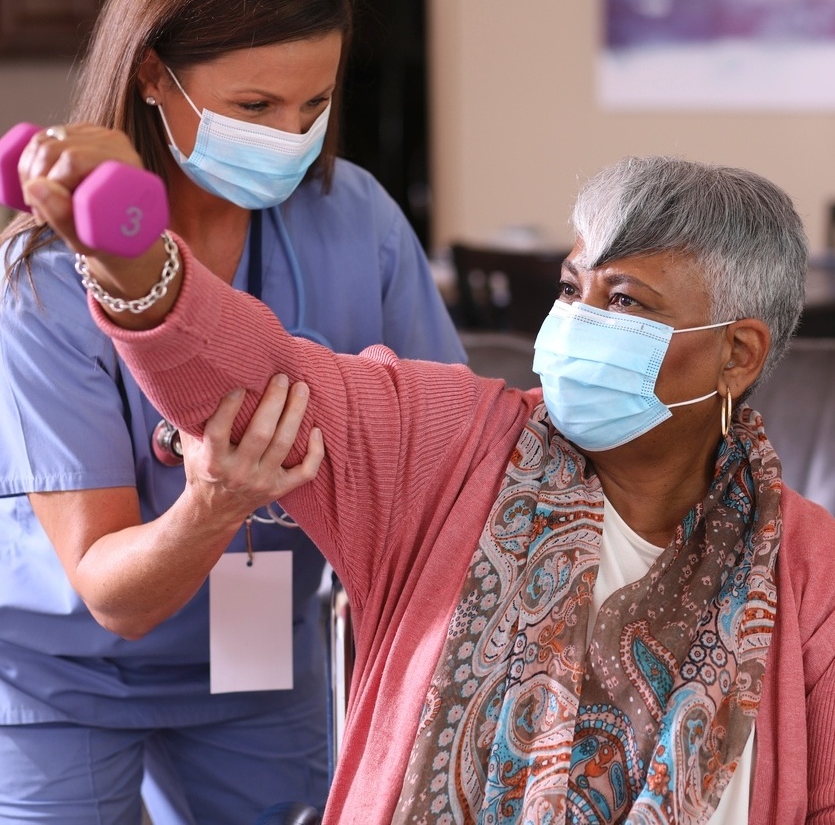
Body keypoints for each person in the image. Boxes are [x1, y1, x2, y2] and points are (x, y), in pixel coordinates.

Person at [18, 148, 835, 824]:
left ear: (737, 354)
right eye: (569, 288)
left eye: (622, 301)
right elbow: (260, 377)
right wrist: (134, 262)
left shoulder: (807, 572)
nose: (577, 322)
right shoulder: (449, 446)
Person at [0, 0, 466, 822]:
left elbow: (451, 454)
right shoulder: (46, 280)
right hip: (62, 672)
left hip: (252, 657)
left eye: (313, 103)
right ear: (153, 74)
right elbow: (115, 595)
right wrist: (216, 503)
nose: (289, 136)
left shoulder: (355, 220)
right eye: (253, 106)